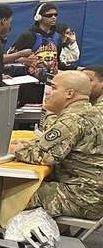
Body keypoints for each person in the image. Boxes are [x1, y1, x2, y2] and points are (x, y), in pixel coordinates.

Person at [13, 70, 103, 220]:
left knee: (15, 191)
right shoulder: (94, 113)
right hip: (94, 194)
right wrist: (31, 145)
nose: (48, 93)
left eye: (54, 88)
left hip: (82, 197)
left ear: (69, 94)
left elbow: (43, 156)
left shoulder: (72, 120)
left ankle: (17, 237)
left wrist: (15, 149)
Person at [11, 1, 61, 105]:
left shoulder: (57, 37)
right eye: (49, 15)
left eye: (55, 15)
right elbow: (9, 56)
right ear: (38, 17)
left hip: (50, 85)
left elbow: (57, 59)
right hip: (30, 86)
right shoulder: (28, 36)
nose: (53, 17)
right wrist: (23, 60)